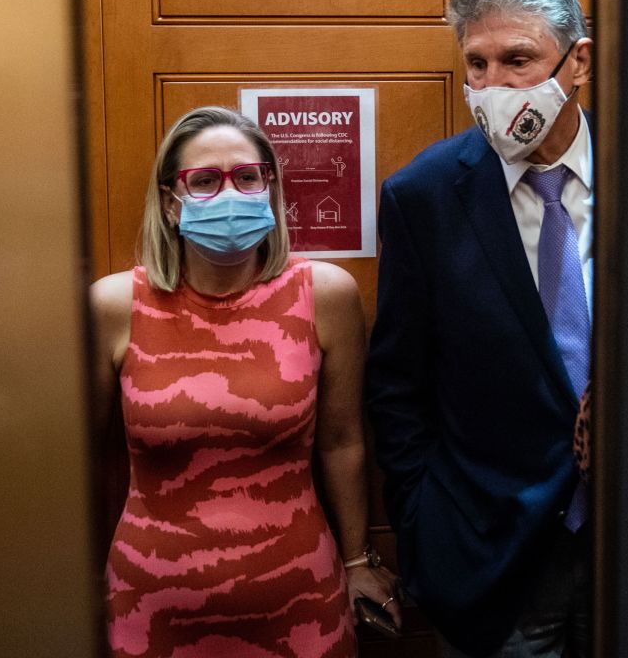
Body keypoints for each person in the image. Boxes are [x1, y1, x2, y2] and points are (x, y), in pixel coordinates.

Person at [90, 106, 401, 657]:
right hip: (151, 608)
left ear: (270, 188)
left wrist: (359, 562)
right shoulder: (116, 305)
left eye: (247, 176)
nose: (229, 193)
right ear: (169, 201)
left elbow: (343, 441)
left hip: (301, 603)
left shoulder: (325, 295)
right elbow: (78, 459)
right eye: (205, 180)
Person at [365, 0, 595, 658]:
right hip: (494, 551)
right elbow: (398, 384)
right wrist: (423, 520)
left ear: (576, 62)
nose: (493, 86)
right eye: (477, 65)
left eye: (518, 60)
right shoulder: (426, 196)